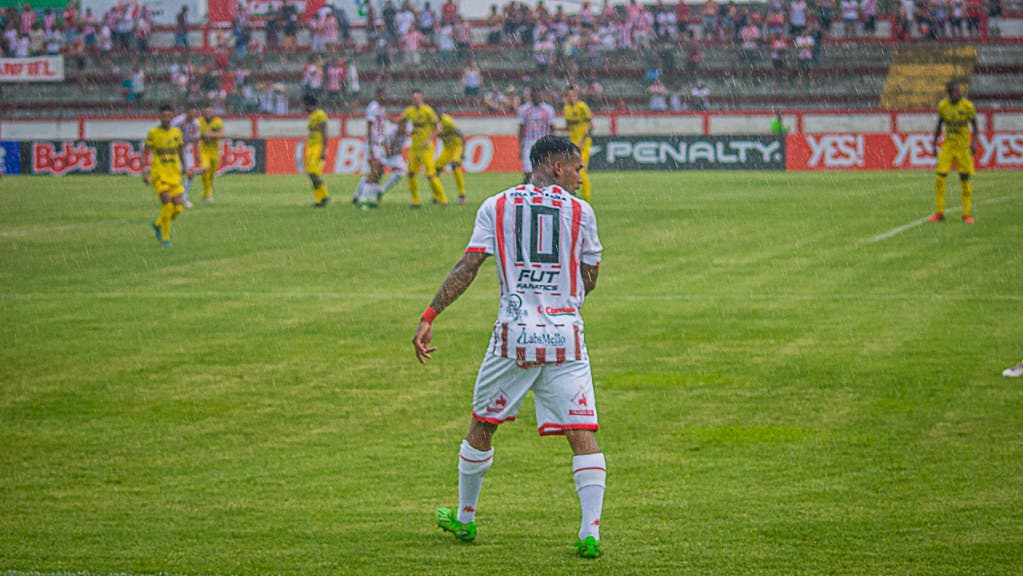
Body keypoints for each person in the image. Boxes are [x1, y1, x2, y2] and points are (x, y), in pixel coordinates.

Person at [413, 135, 606, 560]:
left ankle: (465, 519)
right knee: (582, 431)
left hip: (514, 336)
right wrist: (562, 292)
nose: (580, 177)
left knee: (484, 423)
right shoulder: (581, 212)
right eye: (577, 168)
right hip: (565, 338)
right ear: (556, 167)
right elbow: (590, 277)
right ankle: (590, 532)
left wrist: (430, 314)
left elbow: (469, 266)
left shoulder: (496, 205)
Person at [928, 80, 977, 224]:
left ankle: (966, 214)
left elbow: (975, 127)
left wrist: (974, 143)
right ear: (949, 93)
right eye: (955, 91)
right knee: (940, 177)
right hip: (948, 146)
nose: (958, 93)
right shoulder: (943, 106)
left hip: (963, 147)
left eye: (959, 91)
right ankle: (939, 213)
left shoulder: (967, 106)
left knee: (965, 178)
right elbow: (939, 125)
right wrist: (934, 144)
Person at [143, 105, 189, 248]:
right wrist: (144, 172)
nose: (166, 118)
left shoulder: (177, 133)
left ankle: (157, 224)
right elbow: (144, 152)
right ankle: (165, 239)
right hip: (159, 174)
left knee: (178, 209)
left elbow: (180, 151)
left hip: (174, 174)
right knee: (168, 205)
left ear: (172, 117)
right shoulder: (153, 133)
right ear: (160, 117)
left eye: (169, 116)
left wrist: (186, 167)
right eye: (164, 116)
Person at [402, 88, 448, 208]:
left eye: (417, 98)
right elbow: (401, 121)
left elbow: (438, 127)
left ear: (421, 98)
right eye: (413, 98)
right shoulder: (409, 111)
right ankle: (415, 201)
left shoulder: (428, 111)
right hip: (414, 147)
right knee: (411, 173)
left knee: (430, 175)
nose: (415, 100)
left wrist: (429, 139)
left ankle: (443, 200)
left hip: (426, 148)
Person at [356, 87, 389, 208]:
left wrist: (385, 145)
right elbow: (369, 127)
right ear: (378, 95)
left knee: (380, 172)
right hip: (373, 144)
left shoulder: (382, 108)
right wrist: (370, 146)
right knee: (374, 171)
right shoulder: (373, 107)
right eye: (383, 95)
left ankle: (371, 198)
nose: (385, 97)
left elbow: (382, 128)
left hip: (380, 144)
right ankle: (362, 199)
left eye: (386, 95)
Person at [562, 84, 594, 203]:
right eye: (568, 95)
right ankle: (569, 198)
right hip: (572, 144)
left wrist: (582, 141)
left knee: (581, 171)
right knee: (569, 171)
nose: (570, 97)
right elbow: (569, 127)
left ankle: (587, 200)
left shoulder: (582, 107)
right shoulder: (566, 109)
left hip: (583, 144)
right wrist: (556, 129)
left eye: (573, 95)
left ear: (576, 95)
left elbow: (591, 126)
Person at [518, 87, 556, 184]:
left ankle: (541, 189)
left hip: (543, 143)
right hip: (528, 143)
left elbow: (552, 128)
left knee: (544, 171)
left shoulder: (548, 109)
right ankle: (528, 188)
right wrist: (520, 147)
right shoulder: (524, 109)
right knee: (528, 171)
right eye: (535, 96)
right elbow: (521, 129)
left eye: (539, 96)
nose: (538, 98)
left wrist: (552, 144)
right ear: (531, 96)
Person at [171, 105, 201, 208]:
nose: (193, 115)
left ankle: (183, 198)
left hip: (187, 150)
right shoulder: (177, 121)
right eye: (191, 113)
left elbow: (196, 139)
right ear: (187, 113)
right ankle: (174, 197)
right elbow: (169, 135)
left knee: (190, 173)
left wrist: (198, 154)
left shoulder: (196, 123)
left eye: (194, 113)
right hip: (174, 150)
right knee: (175, 174)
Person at [435, 110, 467, 205]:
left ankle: (462, 194)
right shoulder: (431, 123)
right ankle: (437, 197)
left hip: (457, 146)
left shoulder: (447, 121)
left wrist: (463, 152)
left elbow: (460, 134)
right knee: (435, 170)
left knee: (455, 165)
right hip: (447, 149)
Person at [304, 94, 330, 207]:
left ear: (308, 104)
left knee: (314, 173)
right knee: (310, 174)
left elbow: (324, 132)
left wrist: (323, 149)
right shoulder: (311, 116)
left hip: (318, 147)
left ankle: (324, 196)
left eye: (305, 105)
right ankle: (320, 199)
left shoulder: (320, 114)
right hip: (310, 147)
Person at [198, 104, 224, 203]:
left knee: (212, 175)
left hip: (215, 151)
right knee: (205, 170)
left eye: (210, 112)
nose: (208, 114)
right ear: (203, 113)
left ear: (213, 112)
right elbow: (195, 134)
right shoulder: (199, 122)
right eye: (206, 112)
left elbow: (222, 134)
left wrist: (212, 135)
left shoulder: (217, 121)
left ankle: (205, 194)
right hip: (204, 150)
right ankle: (208, 194)